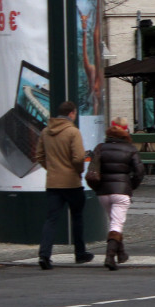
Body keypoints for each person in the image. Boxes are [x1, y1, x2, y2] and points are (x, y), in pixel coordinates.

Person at [35, 100, 94, 269]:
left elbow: (39, 156)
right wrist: (79, 170)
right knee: (77, 217)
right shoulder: (72, 132)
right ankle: (80, 253)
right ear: (71, 114)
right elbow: (78, 158)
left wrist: (52, 169)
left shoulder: (46, 131)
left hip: (53, 182)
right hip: (71, 182)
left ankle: (44, 255)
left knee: (51, 219)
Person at [89, 117, 145, 270]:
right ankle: (109, 257)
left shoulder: (100, 147)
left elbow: (93, 168)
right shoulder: (130, 148)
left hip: (103, 192)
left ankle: (121, 253)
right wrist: (130, 186)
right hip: (121, 191)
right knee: (116, 223)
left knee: (114, 222)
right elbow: (139, 172)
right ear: (126, 130)